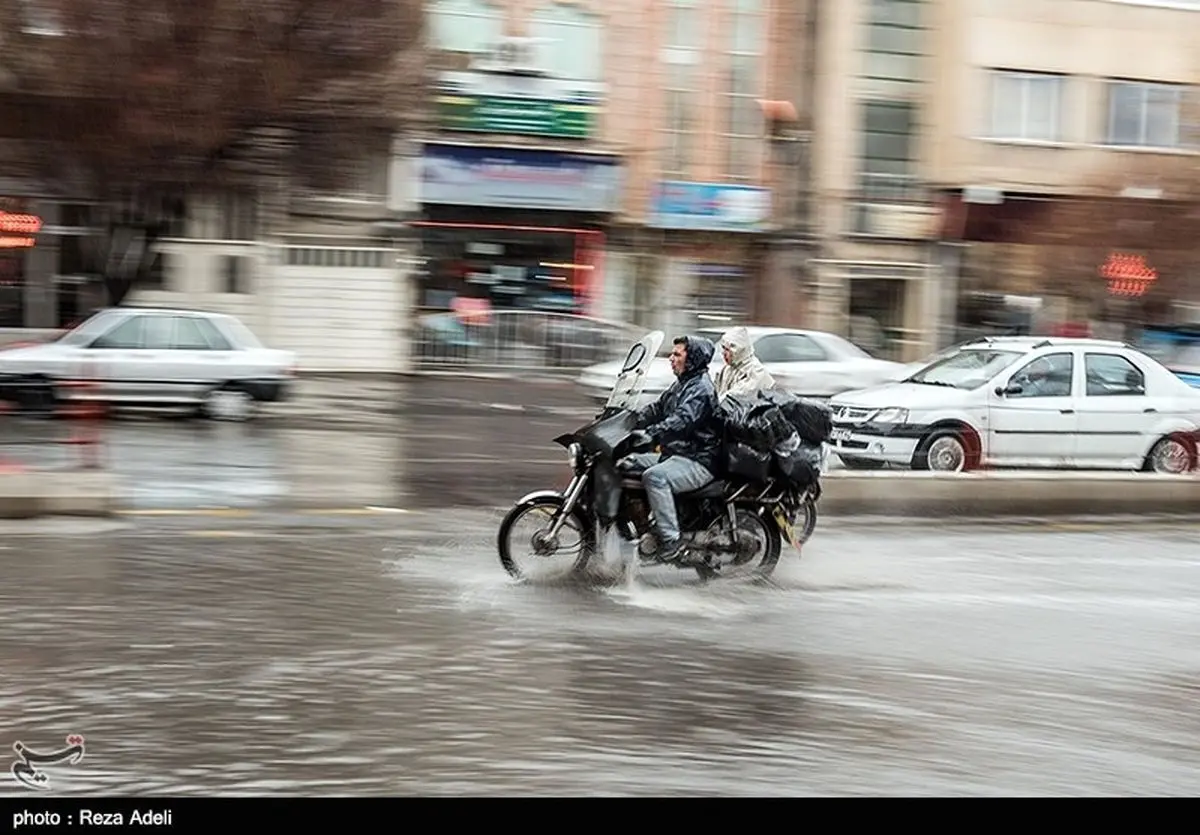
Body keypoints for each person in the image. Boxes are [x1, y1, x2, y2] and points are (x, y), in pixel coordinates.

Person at [620, 335, 721, 563]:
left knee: (655, 477)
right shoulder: (682, 383)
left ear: (692, 358)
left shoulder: (701, 389)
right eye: (672, 353)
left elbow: (682, 420)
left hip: (699, 458)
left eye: (677, 354)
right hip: (678, 453)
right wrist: (627, 420)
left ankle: (671, 539)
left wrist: (651, 433)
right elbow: (657, 408)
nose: (671, 358)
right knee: (626, 463)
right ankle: (638, 523)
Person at [714, 326, 775, 401]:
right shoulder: (727, 369)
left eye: (727, 350)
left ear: (739, 350)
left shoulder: (756, 372)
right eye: (723, 348)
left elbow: (735, 396)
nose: (724, 353)